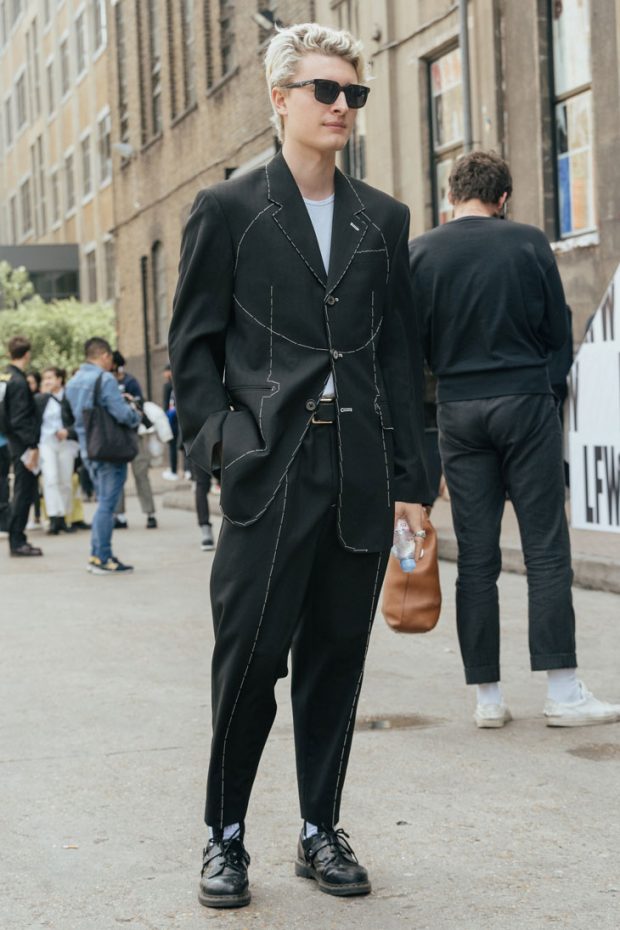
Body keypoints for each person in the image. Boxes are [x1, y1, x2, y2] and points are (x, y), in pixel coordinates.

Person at [169, 22, 429, 909]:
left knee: (336, 660)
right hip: (266, 470)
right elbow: (194, 350)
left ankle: (320, 828)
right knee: (248, 661)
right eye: (326, 91)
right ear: (280, 98)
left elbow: (399, 358)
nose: (343, 108)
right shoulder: (229, 210)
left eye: (354, 93)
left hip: (356, 473)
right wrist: (221, 446)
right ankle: (225, 835)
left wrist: (412, 486)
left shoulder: (383, 220)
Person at [409, 150, 620, 730]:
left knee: (475, 557)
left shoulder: (421, 253)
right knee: (545, 547)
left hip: (457, 407)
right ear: (503, 199)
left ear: (451, 195)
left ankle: (488, 699)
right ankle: (563, 691)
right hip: (524, 401)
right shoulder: (529, 243)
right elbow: (557, 330)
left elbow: (414, 344)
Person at [65, 337, 141, 574]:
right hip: (109, 448)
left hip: (89, 448)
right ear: (105, 356)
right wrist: (135, 414)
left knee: (102, 502)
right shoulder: (104, 379)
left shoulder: (74, 381)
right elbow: (121, 414)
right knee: (107, 505)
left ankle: (97, 555)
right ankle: (102, 557)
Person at [3, 336, 43, 556]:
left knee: (20, 490)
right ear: (27, 354)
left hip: (11, 439)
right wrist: (32, 445)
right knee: (23, 492)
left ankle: (16, 537)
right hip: (22, 444)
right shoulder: (18, 381)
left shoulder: (4, 376)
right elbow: (20, 418)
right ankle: (17, 540)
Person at [111, 350, 158, 530]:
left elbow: (141, 403)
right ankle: (119, 515)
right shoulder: (107, 382)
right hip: (116, 435)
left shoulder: (130, 381)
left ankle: (150, 513)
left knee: (141, 473)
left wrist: (131, 400)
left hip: (134, 433)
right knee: (118, 476)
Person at [36, 367, 79, 535]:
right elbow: (33, 418)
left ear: (60, 379)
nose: (47, 381)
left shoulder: (69, 396)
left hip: (66, 443)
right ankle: (54, 517)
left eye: (51, 377)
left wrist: (68, 431)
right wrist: (44, 395)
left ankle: (64, 517)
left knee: (65, 480)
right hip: (46, 442)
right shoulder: (40, 398)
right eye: (45, 378)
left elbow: (78, 419)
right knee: (50, 478)